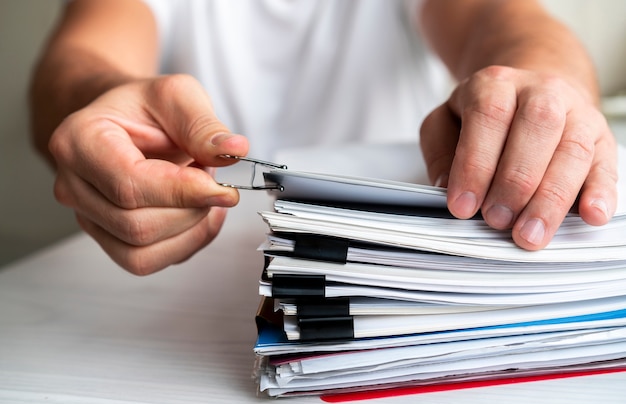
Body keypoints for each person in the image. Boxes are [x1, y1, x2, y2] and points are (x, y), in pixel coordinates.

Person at [29, 0, 618, 275]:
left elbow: (509, 21)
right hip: (194, 283)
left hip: (407, 275)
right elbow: (77, 62)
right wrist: (98, 109)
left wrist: (546, 89)